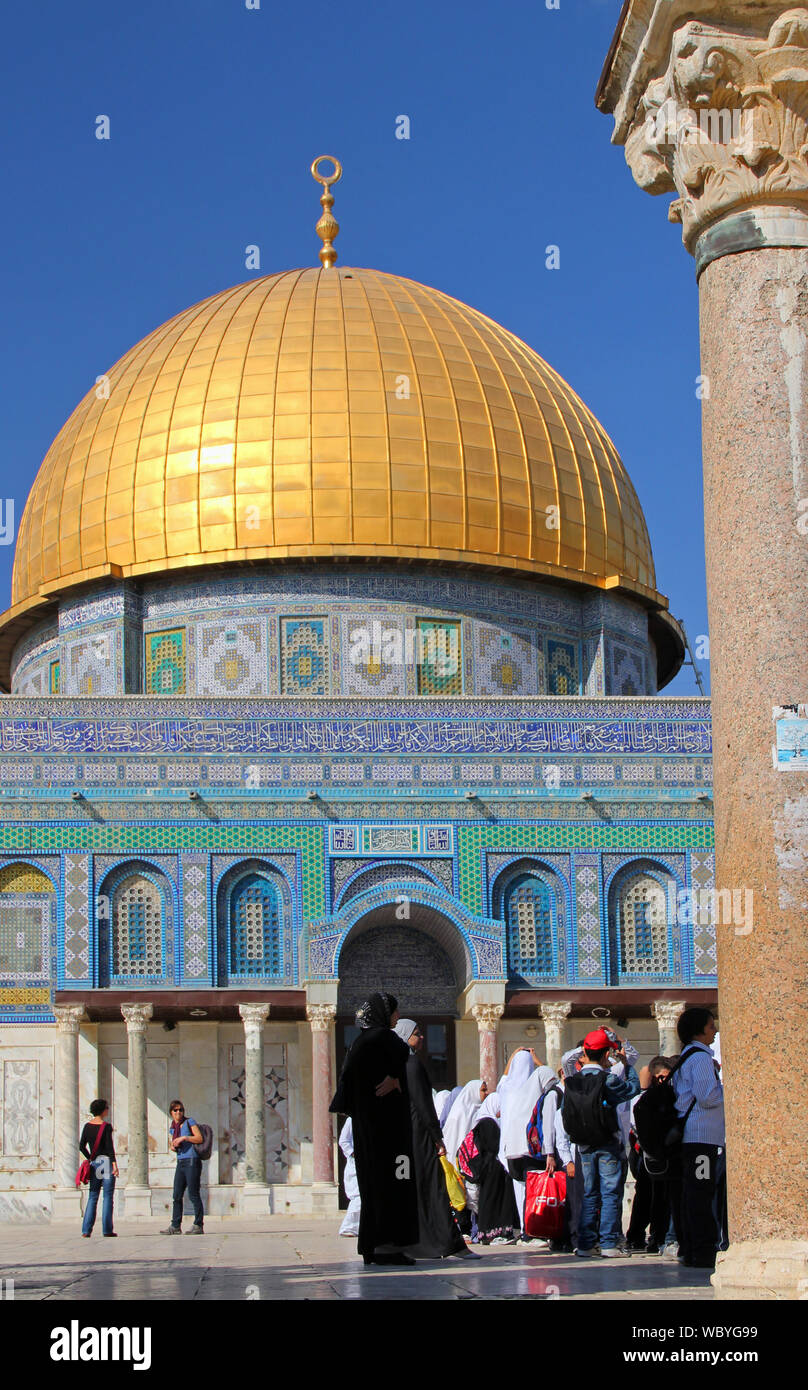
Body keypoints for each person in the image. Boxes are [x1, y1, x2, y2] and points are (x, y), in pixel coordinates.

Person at [329, 992, 418, 1266]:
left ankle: (372, 1245)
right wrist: (398, 1082)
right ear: (383, 1014)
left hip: (367, 1131)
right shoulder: (384, 1039)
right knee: (395, 1182)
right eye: (394, 1012)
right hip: (389, 1133)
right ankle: (389, 1247)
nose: (397, 1017)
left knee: (372, 1187)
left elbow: (350, 1089)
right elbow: (406, 1059)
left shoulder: (358, 1043)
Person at [394, 1019, 475, 1260]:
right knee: (434, 1188)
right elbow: (423, 1105)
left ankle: (417, 1244)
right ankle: (450, 1245)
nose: (422, 1038)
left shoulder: (393, 1064)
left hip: (402, 1139)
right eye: (417, 1034)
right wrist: (436, 1137)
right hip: (419, 1136)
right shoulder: (410, 1063)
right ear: (406, 1037)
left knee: (411, 1190)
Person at [562, 1028, 640, 1258]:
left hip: (583, 1145)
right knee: (609, 1194)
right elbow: (632, 1089)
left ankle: (586, 1244)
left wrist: (587, 1046)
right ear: (607, 1054)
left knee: (589, 1194)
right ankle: (608, 1243)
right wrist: (627, 1065)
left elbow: (568, 1058)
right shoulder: (608, 1080)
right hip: (608, 1143)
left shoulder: (572, 1080)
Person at [670, 1007, 725, 1270]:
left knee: (692, 1194)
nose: (714, 1031)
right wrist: (730, 1089)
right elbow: (708, 1097)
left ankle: (690, 1248)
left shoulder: (687, 1056)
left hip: (694, 1138)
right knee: (701, 1194)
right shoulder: (701, 1059)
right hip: (701, 1138)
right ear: (700, 1029)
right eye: (711, 1026)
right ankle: (703, 1250)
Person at [501, 1063, 561, 1241]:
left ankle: (531, 1230)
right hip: (533, 1154)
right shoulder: (541, 1100)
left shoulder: (522, 1097)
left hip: (519, 1154)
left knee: (530, 1195)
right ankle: (532, 1232)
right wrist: (549, 1152)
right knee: (535, 1195)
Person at [626, 1056, 675, 1253]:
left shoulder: (645, 1099)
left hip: (651, 1155)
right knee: (653, 1198)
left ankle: (650, 1236)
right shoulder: (646, 1099)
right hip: (651, 1156)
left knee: (653, 1197)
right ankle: (652, 1236)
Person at [461, 1117, 519, 1245]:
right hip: (506, 1227)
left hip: (484, 1227)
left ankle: (487, 1234)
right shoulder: (503, 1163)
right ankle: (502, 1232)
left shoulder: (482, 1164)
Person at [160, 1100, 204, 1235]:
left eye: (180, 1110)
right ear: (171, 1113)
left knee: (193, 1193)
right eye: (175, 1110)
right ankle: (175, 1225)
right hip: (181, 1161)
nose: (178, 1112)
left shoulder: (190, 1122)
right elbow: (173, 1145)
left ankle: (198, 1224)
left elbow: (199, 1138)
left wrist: (184, 1138)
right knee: (177, 1194)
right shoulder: (173, 1127)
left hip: (192, 1160)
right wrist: (173, 1146)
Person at [79, 1098, 118, 1238]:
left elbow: (81, 1146)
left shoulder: (87, 1126)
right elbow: (109, 1147)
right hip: (106, 1163)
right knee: (107, 1197)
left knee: (93, 1196)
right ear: (103, 1110)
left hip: (95, 1163)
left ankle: (86, 1230)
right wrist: (115, 1164)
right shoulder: (106, 1126)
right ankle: (107, 1230)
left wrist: (90, 1157)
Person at [442, 1077, 487, 1167]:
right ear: (473, 1092)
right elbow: (454, 1140)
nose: (486, 1093)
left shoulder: (481, 1110)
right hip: (457, 1161)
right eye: (483, 1090)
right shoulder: (461, 1112)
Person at [338, 1117, 361, 1237]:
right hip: (355, 1164)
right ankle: (349, 1227)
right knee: (359, 1197)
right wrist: (353, 1153)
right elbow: (343, 1141)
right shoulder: (352, 1120)